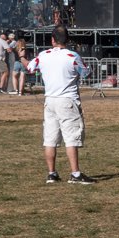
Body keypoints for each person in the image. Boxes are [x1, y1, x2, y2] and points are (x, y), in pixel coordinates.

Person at [33, 30, 93, 184]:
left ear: (53, 40)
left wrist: (20, 56)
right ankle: (75, 174)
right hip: (67, 100)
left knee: (50, 138)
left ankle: (52, 173)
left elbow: (30, 67)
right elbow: (86, 73)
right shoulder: (72, 56)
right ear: (67, 40)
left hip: (50, 100)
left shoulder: (43, 55)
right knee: (71, 136)